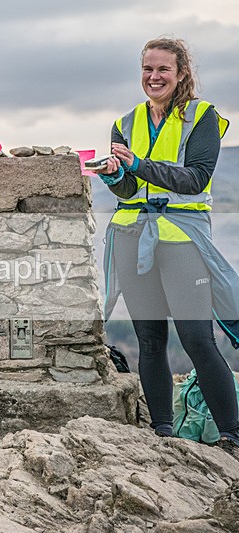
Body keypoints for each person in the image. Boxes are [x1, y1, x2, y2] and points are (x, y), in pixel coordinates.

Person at [99, 37, 239, 453]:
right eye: (147, 69)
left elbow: (195, 179)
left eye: (163, 69)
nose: (154, 77)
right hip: (132, 236)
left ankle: (232, 433)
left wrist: (139, 165)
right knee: (150, 340)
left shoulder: (203, 117)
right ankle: (162, 431)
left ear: (181, 74)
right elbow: (127, 190)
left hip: (181, 239)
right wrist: (114, 175)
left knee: (197, 339)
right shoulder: (124, 123)